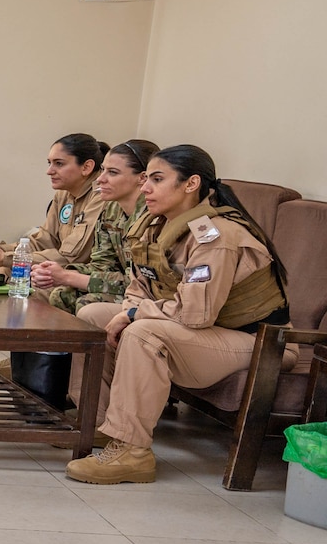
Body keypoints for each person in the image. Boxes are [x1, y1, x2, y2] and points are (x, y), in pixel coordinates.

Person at [66, 145, 290, 485]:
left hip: (260, 341)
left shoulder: (217, 237)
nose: (145, 189)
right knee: (93, 315)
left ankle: (133, 451)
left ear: (191, 184)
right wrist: (130, 308)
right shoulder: (157, 225)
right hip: (207, 329)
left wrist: (132, 314)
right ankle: (98, 424)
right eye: (145, 180)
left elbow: (195, 314)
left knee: (144, 333)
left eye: (157, 179)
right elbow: (140, 285)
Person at [31, 140, 158, 313]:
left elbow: (140, 282)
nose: (100, 179)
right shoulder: (111, 210)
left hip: (147, 295)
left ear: (142, 178)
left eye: (112, 172)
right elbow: (102, 264)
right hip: (123, 285)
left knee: (87, 304)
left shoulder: (154, 217)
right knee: (61, 295)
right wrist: (58, 273)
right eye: (103, 169)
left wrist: (69, 277)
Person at [0, 134, 112, 279]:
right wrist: (0, 250)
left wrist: (7, 258)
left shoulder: (101, 195)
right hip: (62, 270)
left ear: (86, 167)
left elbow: (71, 257)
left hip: (87, 276)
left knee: (26, 276)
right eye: (50, 163)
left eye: (59, 163)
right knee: (7, 270)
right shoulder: (63, 195)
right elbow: (45, 240)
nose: (49, 171)